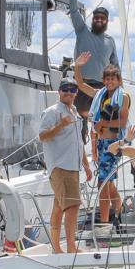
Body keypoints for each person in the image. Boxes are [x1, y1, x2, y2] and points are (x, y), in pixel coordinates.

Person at [74, 56, 129, 229]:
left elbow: (122, 122)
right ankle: (118, 217)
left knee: (102, 183)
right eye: (106, 78)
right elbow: (81, 85)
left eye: (112, 79)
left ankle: (105, 224)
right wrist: (78, 67)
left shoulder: (123, 97)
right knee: (108, 183)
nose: (109, 81)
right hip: (101, 143)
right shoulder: (100, 94)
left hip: (114, 144)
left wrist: (103, 123)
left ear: (118, 81)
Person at [39, 83, 92, 252]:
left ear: (76, 93)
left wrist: (86, 164)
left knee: (60, 206)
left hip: (72, 166)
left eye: (73, 90)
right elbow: (42, 135)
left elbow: (78, 141)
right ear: (59, 92)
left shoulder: (74, 112)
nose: (69, 92)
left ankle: (56, 247)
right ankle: (70, 247)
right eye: (65, 89)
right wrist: (61, 125)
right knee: (73, 205)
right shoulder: (51, 112)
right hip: (61, 166)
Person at [67, 0, 119, 138]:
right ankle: (81, 140)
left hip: (99, 87)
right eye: (96, 18)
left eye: (102, 18)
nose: (99, 20)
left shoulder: (110, 41)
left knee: (98, 121)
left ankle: (96, 146)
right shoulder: (82, 30)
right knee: (78, 118)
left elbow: (115, 67)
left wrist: (118, 89)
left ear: (106, 21)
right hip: (80, 83)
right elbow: (74, 11)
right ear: (92, 20)